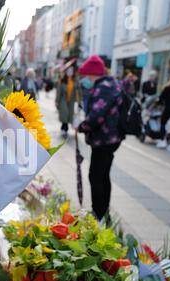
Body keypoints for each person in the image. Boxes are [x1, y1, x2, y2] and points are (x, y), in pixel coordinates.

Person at [77, 55, 125, 222]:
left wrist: (81, 126)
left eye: (86, 75)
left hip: (104, 139)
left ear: (92, 74)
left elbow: (96, 117)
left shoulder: (103, 87)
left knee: (96, 176)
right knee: (103, 176)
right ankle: (103, 212)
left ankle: (99, 214)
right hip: (111, 138)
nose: (85, 79)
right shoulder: (112, 84)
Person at [56, 66, 81, 138]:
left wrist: (79, 102)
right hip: (63, 100)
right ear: (66, 72)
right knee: (65, 114)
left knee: (69, 115)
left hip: (72, 101)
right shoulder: (62, 80)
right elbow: (59, 92)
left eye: (71, 71)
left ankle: (65, 128)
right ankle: (64, 128)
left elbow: (79, 91)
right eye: (68, 71)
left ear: (73, 72)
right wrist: (57, 101)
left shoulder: (75, 81)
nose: (70, 72)